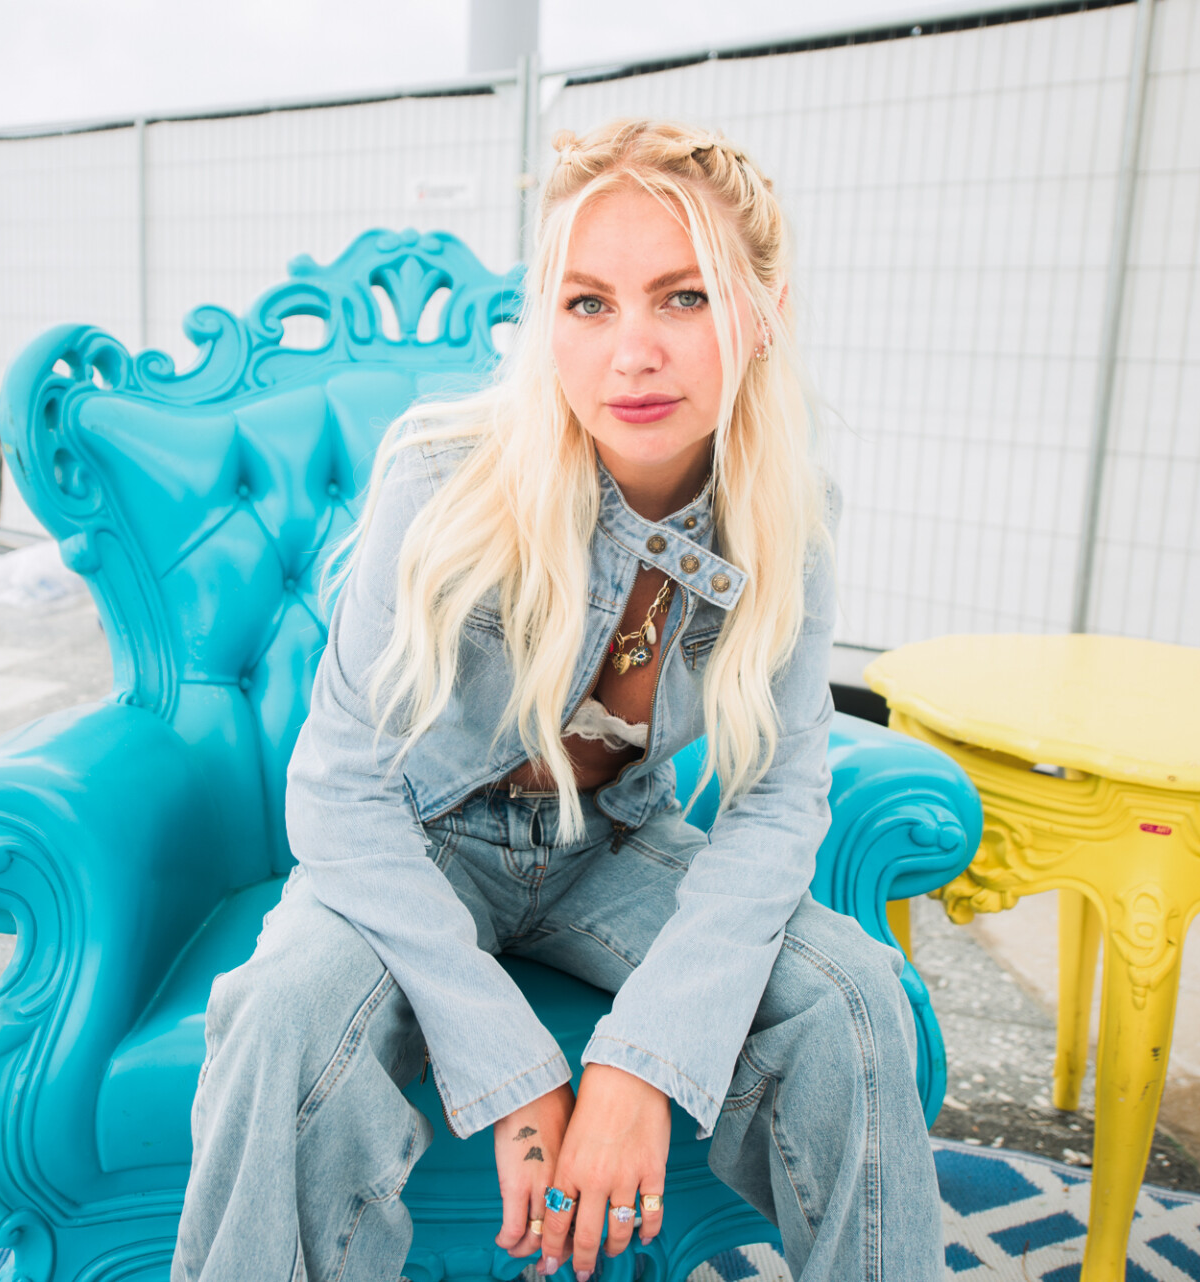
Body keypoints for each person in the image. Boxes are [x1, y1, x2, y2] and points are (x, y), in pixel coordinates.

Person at [171, 117, 942, 1282]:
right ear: (550, 321)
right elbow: (337, 790)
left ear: (765, 312)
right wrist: (512, 1068)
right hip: (417, 843)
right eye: (589, 303)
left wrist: (643, 1059)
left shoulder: (792, 512)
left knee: (854, 994)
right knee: (281, 1012)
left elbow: (780, 799)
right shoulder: (440, 475)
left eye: (683, 297)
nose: (632, 352)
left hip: (614, 847)